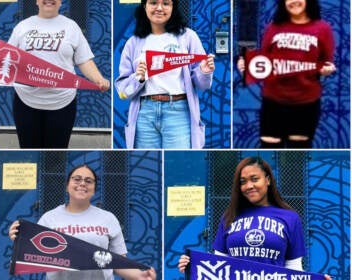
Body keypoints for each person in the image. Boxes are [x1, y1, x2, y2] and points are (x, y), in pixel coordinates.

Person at [178, 157, 331, 280]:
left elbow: (294, 269)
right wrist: (192, 265)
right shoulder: (229, 216)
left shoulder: (290, 217)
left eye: (254, 179)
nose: (248, 186)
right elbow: (218, 266)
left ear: (268, 180)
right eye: (243, 182)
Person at [9, 164, 156, 280]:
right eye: (77, 179)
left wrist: (139, 276)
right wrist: (18, 238)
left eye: (88, 181)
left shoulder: (108, 218)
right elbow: (32, 255)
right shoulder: (49, 218)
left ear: (94, 189)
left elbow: (118, 263)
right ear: (67, 186)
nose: (82, 184)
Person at [8, 0, 110, 148]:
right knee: (28, 147)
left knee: (57, 150)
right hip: (26, 100)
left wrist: (98, 79)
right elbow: (9, 57)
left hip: (62, 101)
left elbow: (83, 60)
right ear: (37, 1)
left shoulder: (71, 27)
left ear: (61, 2)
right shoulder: (22, 26)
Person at [115, 0, 215, 149]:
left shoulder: (188, 37)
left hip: (178, 112)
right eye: (153, 2)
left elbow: (203, 85)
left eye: (166, 3)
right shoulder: (133, 43)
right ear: (145, 6)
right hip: (145, 113)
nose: (159, 8)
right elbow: (123, 91)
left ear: (173, 7)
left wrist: (204, 71)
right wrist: (138, 78)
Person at [237, 0, 336, 148]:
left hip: (305, 103)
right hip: (273, 102)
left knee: (298, 151)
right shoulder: (273, 27)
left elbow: (326, 61)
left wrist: (327, 69)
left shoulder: (323, 28)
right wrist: (246, 66)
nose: (294, 1)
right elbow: (264, 61)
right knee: (269, 149)